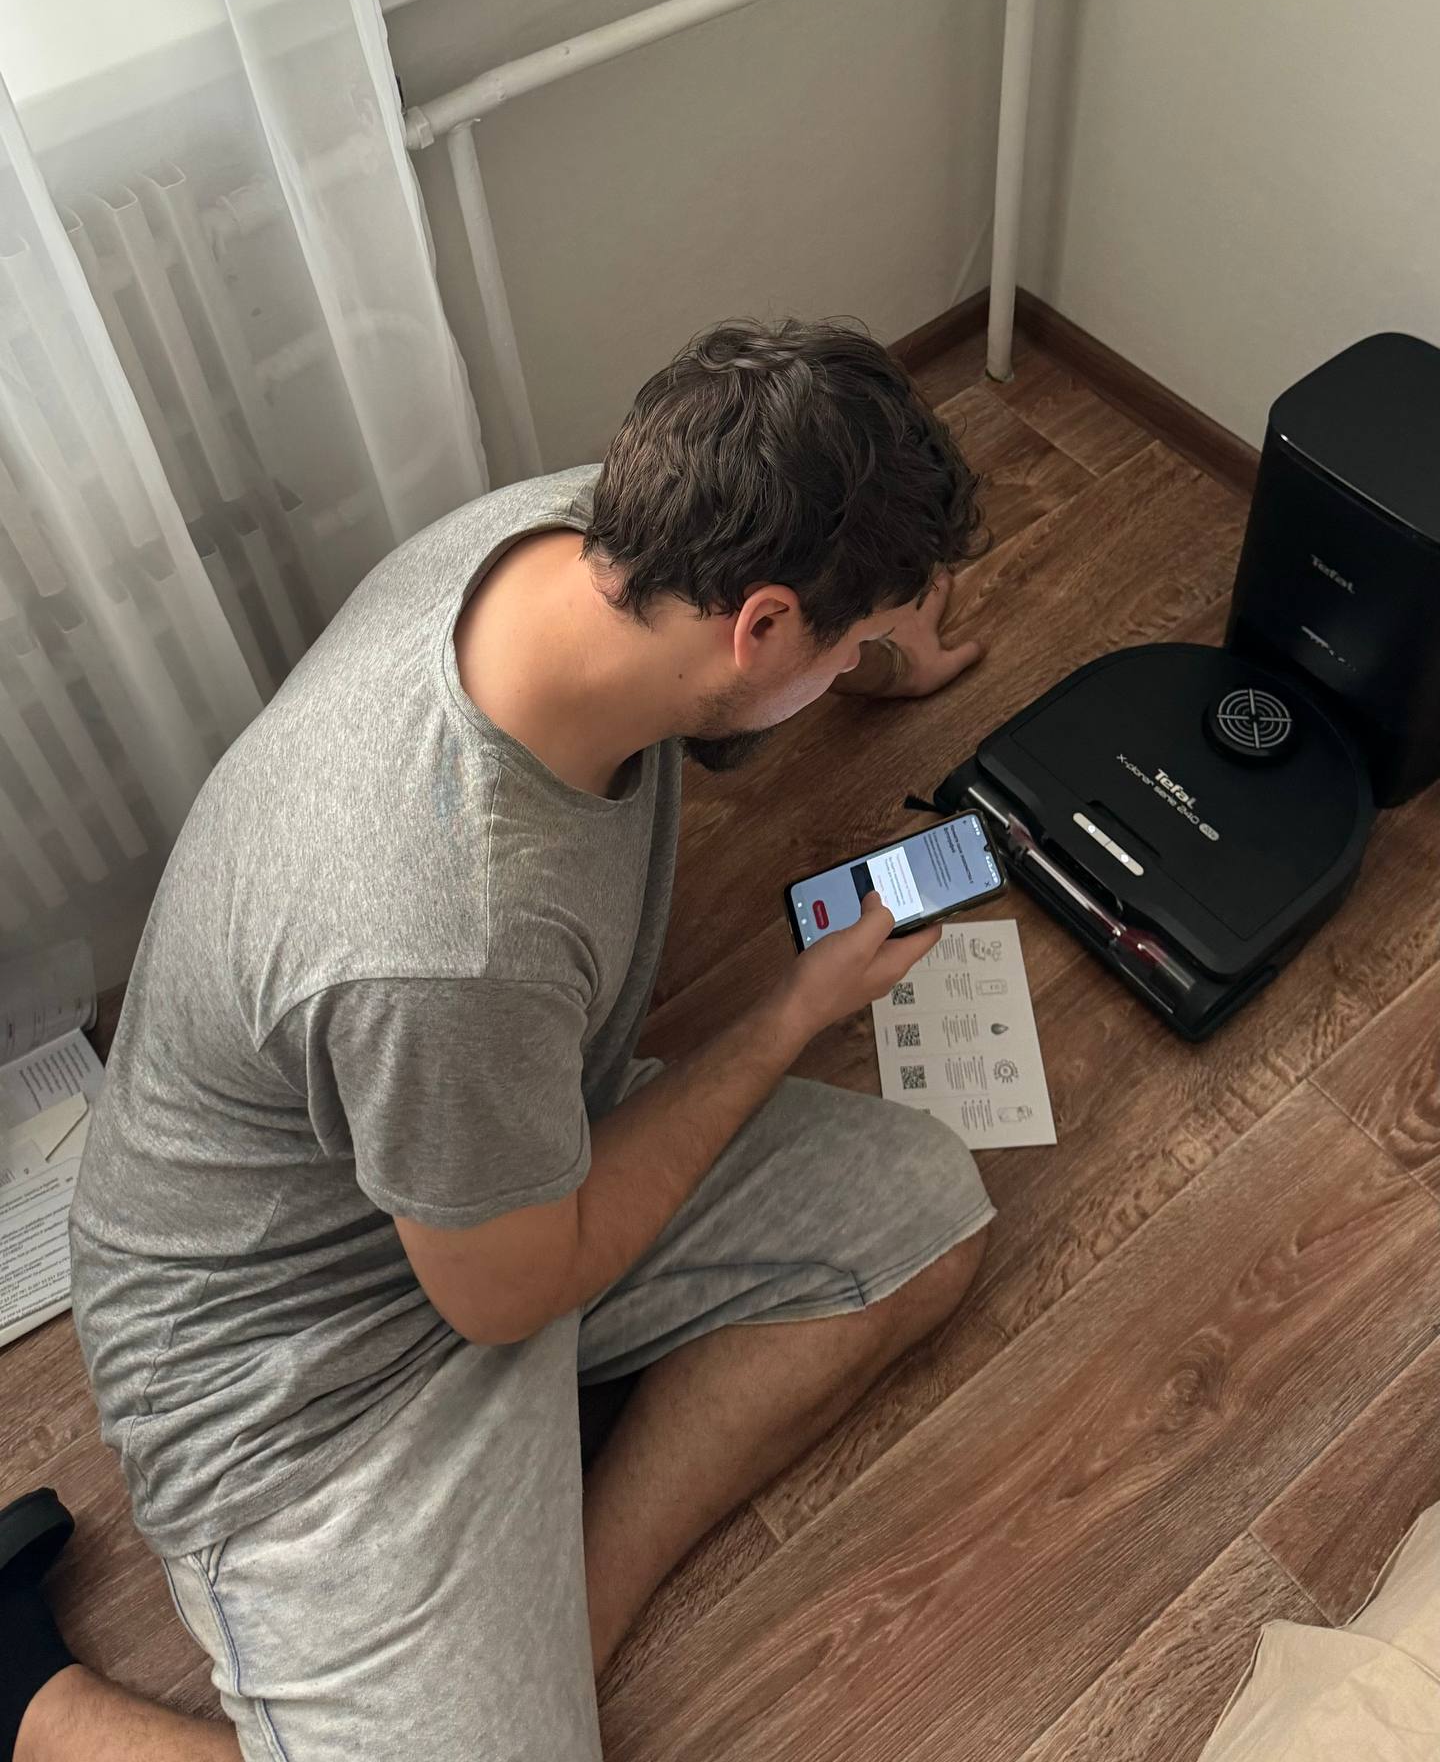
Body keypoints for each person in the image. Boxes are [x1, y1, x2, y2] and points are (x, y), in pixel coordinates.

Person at [2, 319, 993, 1762]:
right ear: (764, 626)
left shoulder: (596, 530)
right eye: (838, 652)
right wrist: (792, 1010)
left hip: (496, 1158)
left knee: (924, 1221)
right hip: (297, 1355)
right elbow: (510, 1296)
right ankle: (28, 1699)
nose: (845, 671)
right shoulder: (448, 934)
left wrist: (881, 643)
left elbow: (759, 658)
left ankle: (549, 1641)